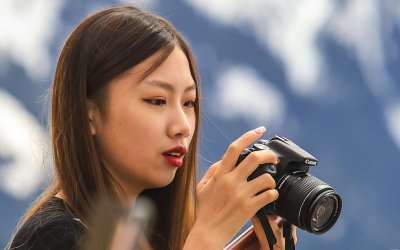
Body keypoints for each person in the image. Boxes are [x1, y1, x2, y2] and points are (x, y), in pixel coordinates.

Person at [8, 6, 296, 250]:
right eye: (157, 100)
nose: (182, 126)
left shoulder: (141, 236)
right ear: (88, 115)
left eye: (189, 102)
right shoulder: (52, 238)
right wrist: (207, 236)